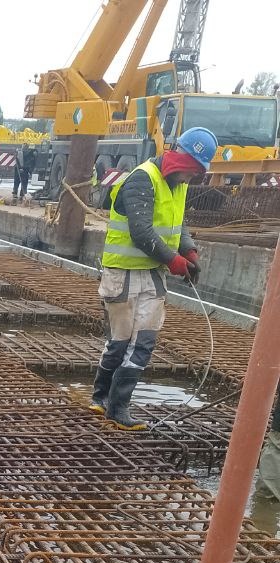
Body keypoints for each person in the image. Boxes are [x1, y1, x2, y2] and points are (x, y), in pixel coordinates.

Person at [89, 126, 217, 429]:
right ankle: (99, 399)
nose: (191, 178)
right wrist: (173, 260)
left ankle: (118, 408)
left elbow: (178, 225)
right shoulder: (142, 178)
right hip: (123, 272)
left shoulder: (178, 185)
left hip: (153, 275)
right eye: (192, 171)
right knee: (119, 343)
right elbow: (141, 231)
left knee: (143, 342)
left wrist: (189, 251)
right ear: (183, 160)